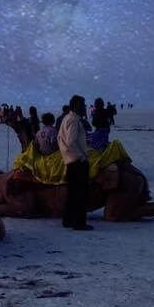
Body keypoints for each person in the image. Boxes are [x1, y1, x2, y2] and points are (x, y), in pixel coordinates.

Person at [58, 95, 92, 230]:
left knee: (72, 193)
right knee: (80, 193)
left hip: (70, 160)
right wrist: (81, 156)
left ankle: (68, 220)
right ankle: (79, 222)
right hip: (77, 161)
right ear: (77, 106)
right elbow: (71, 141)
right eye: (83, 105)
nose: (84, 107)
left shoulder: (67, 118)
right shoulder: (73, 120)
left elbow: (61, 139)